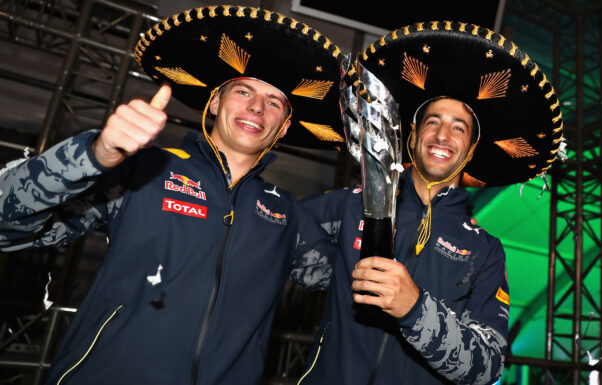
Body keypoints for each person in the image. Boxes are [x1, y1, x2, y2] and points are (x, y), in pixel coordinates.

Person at [0, 5, 346, 384]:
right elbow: (8, 224)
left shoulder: (286, 213)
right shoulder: (143, 170)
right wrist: (94, 155)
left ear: (283, 128)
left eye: (274, 102)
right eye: (243, 90)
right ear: (214, 102)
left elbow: (351, 284)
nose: (256, 107)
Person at [298, 21, 565, 385]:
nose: (442, 135)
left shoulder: (484, 251)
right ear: (413, 136)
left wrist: (414, 309)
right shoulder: (352, 204)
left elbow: (488, 367)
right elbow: (278, 233)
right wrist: (335, 273)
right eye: (433, 121)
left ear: (471, 150)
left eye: (459, 127)